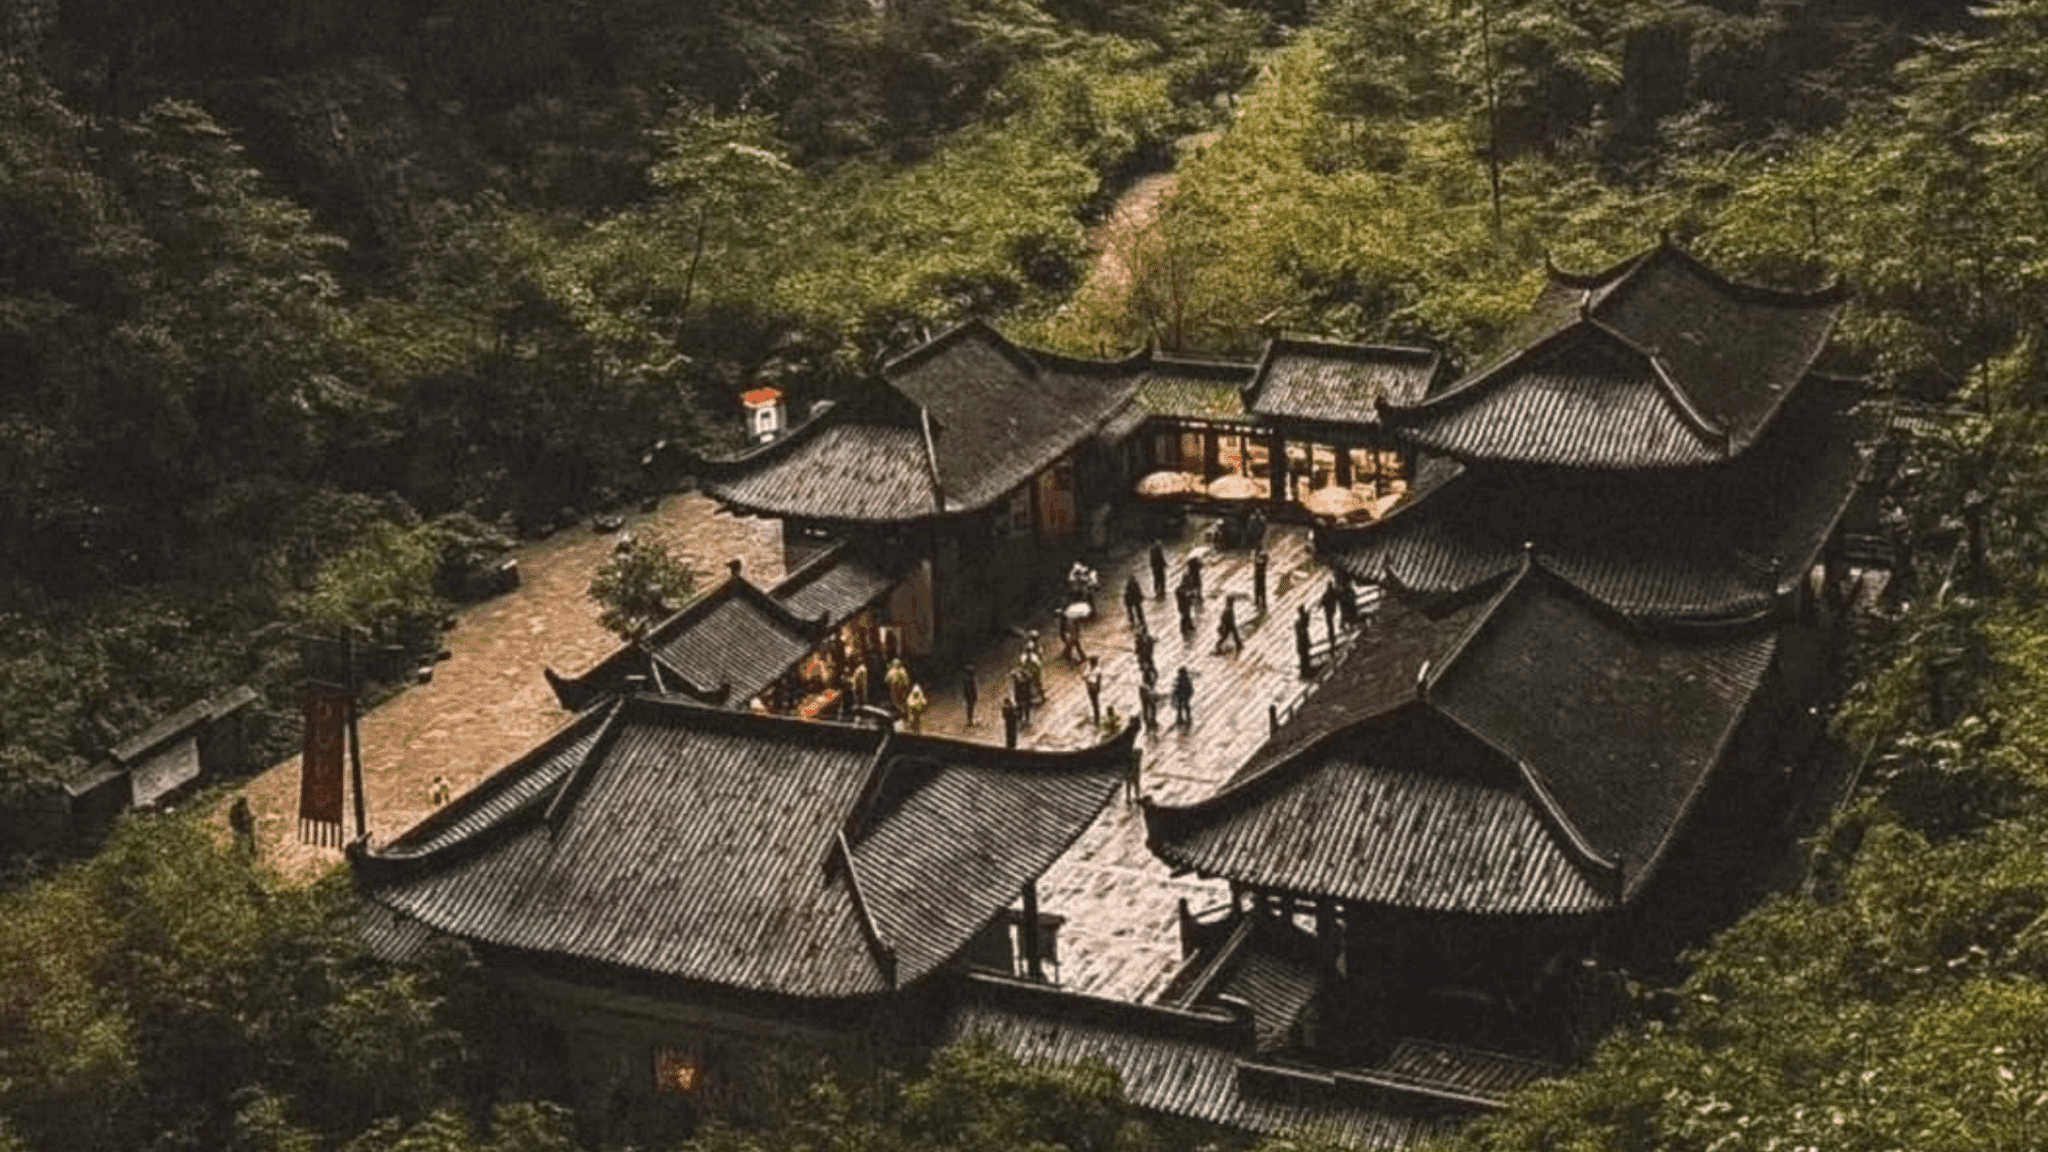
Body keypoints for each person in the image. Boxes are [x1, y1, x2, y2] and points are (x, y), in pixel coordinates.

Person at [1083, 657, 1104, 724]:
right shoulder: (1089, 669)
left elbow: (1098, 680)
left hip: (1094, 687)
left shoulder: (1097, 670)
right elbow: (1084, 676)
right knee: (1093, 703)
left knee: (1095, 704)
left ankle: (1097, 719)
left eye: (1091, 662)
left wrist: (1097, 688)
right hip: (1089, 686)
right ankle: (1096, 718)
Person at [1295, 604, 1314, 677]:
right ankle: (1305, 672)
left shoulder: (1298, 623)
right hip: (1302, 644)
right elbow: (1303, 634)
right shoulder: (1301, 624)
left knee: (1304, 658)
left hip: (1301, 644)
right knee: (1305, 658)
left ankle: (1304, 672)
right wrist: (1307, 643)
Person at [1253, 549, 1269, 615]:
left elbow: (1255, 559)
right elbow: (1266, 559)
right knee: (1262, 594)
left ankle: (1259, 605)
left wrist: (1256, 554)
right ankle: (1263, 606)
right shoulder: (1263, 564)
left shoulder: (1258, 564)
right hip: (1261, 580)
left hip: (1258, 580)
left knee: (1258, 593)